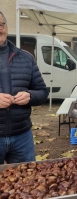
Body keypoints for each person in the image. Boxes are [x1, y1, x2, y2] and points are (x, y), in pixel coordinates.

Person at [0, 11, 49, 164]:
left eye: (1, 24)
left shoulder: (26, 58)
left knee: (26, 183)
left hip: (22, 136)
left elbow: (43, 92)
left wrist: (30, 96)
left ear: (7, 27)